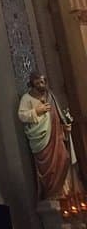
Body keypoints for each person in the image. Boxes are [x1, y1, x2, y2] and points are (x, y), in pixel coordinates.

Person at [18, 71, 73, 200]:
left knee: (64, 157)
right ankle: (52, 193)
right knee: (47, 167)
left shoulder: (50, 96)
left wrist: (65, 125)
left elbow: (58, 114)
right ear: (32, 83)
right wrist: (36, 111)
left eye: (43, 81)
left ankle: (65, 191)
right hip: (41, 139)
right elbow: (21, 115)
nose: (41, 84)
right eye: (38, 82)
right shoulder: (27, 98)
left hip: (56, 136)